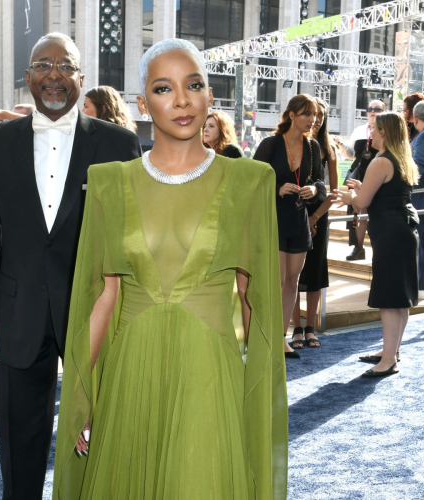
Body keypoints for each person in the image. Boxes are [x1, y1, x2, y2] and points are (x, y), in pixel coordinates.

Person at [53, 38, 287, 500]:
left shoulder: (250, 181)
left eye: (194, 84)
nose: (181, 100)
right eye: (164, 88)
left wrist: (253, 395)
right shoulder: (109, 184)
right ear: (143, 103)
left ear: (209, 97)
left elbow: (254, 300)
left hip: (208, 375)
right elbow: (104, 297)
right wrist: (83, 394)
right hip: (129, 377)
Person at [0, 32, 141, 500]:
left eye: (65, 66)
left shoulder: (119, 144)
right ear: (27, 77)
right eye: (43, 65)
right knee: (19, 436)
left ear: (81, 79)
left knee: (103, 426)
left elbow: (132, 240)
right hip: (17, 312)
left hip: (96, 310)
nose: (53, 75)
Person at [335, 112, 419, 377]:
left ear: (385, 132)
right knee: (399, 298)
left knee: (388, 298)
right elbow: (387, 192)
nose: (370, 133)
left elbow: (361, 203)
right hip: (403, 230)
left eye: (374, 128)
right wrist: (361, 189)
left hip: (391, 232)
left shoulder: (381, 162)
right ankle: (391, 352)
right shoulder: (402, 158)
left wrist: (349, 196)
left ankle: (388, 360)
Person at [254, 94, 326, 359]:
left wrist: (312, 188)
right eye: (307, 114)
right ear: (292, 114)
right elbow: (250, 181)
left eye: (315, 115)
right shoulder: (271, 144)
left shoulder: (312, 147)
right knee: (276, 280)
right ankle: (266, 337)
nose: (312, 120)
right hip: (273, 219)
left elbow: (321, 184)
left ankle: (281, 338)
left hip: (298, 220)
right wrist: (276, 188)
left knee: (292, 281)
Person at [291, 98, 338, 348]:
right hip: (294, 214)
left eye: (320, 116)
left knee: (316, 273)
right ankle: (296, 327)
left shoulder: (328, 149)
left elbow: (333, 192)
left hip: (319, 216)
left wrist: (315, 217)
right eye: (312, 114)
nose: (316, 120)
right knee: (293, 274)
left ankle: (310, 327)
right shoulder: (295, 144)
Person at [334, 99, 385, 261]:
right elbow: (350, 154)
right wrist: (341, 145)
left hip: (378, 172)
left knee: (377, 211)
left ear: (384, 110)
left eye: (377, 109)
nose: (372, 111)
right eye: (370, 108)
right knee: (357, 210)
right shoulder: (359, 130)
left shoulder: (386, 129)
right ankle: (358, 247)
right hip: (359, 172)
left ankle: (379, 248)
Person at [411, 100, 424, 300]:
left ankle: (419, 286)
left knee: (416, 245)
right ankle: (421, 287)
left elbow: (419, 165)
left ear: (415, 119)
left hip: (422, 200)